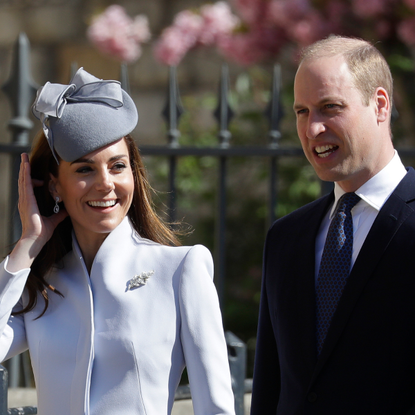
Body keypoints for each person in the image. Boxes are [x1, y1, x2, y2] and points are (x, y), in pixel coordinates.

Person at [0, 68, 236, 415]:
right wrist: (28, 245)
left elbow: (216, 407)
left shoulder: (181, 269)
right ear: (54, 186)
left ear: (133, 173)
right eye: (84, 169)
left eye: (117, 166)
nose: (105, 183)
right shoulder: (41, 285)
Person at [250, 35, 415, 415]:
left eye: (330, 107)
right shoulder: (286, 239)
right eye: (302, 112)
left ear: (380, 105)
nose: (312, 130)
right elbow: (272, 388)